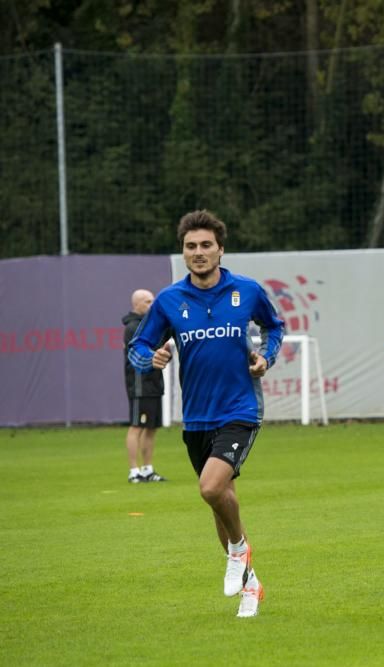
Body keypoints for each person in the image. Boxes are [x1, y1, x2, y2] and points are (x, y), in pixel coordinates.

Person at [128, 210, 284, 618]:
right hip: (196, 416)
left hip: (240, 409)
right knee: (221, 499)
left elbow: (275, 328)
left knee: (212, 488)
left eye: (205, 245)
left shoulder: (246, 291)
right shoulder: (168, 301)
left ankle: (237, 552)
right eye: (190, 246)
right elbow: (138, 348)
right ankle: (252, 585)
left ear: (220, 249)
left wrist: (265, 357)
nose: (198, 253)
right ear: (183, 252)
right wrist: (153, 356)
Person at [122, 289, 168, 484]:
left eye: (153, 301)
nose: (152, 304)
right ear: (137, 304)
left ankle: (148, 469)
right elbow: (144, 353)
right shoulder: (133, 327)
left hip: (155, 383)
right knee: (137, 427)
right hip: (140, 385)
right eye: (148, 302)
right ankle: (134, 470)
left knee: (151, 428)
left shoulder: (151, 325)